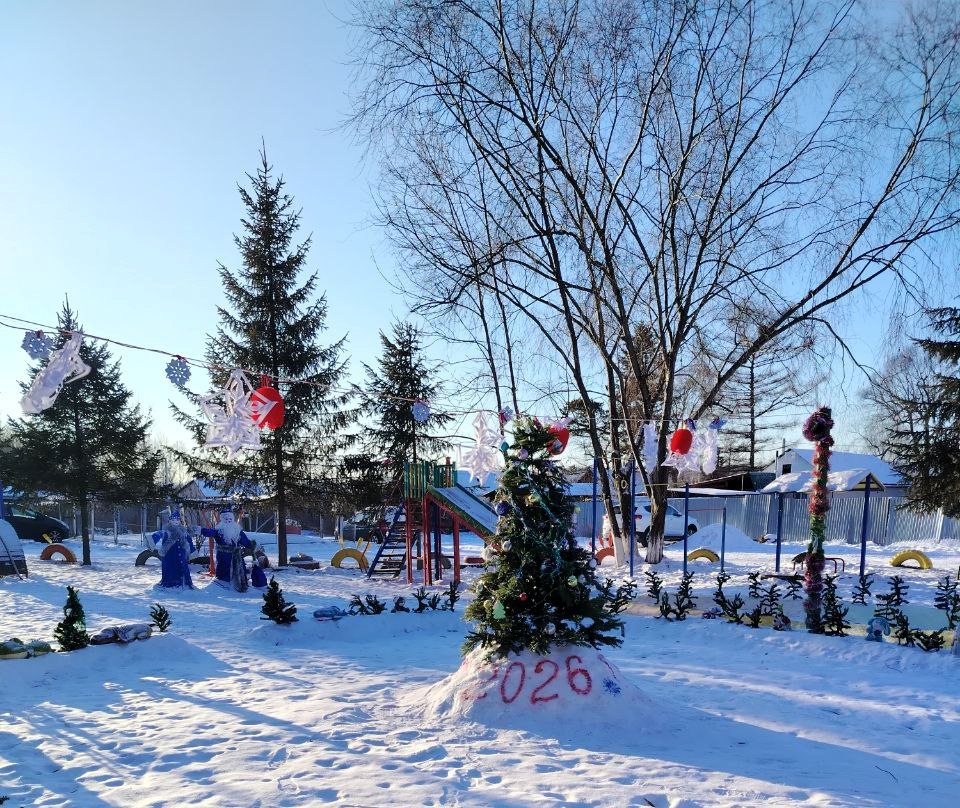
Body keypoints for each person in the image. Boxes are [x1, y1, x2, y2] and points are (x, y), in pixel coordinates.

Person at [201, 509, 260, 591]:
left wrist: (253, 545)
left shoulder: (237, 531)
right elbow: (210, 532)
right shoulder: (219, 531)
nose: (228, 520)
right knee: (224, 570)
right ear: (222, 520)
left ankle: (239, 585)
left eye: (230, 519)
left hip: (237, 556)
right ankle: (224, 585)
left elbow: (245, 541)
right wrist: (201, 530)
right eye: (226, 519)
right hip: (223, 556)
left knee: (238, 571)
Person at [151, 510, 194, 590]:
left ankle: (184, 583)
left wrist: (192, 551)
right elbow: (159, 534)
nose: (175, 521)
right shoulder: (167, 530)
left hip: (181, 555)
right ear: (170, 521)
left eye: (177, 520)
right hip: (170, 555)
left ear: (180, 521)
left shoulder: (184, 531)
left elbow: (189, 541)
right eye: (173, 520)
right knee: (171, 569)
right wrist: (152, 539)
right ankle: (171, 584)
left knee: (182, 568)